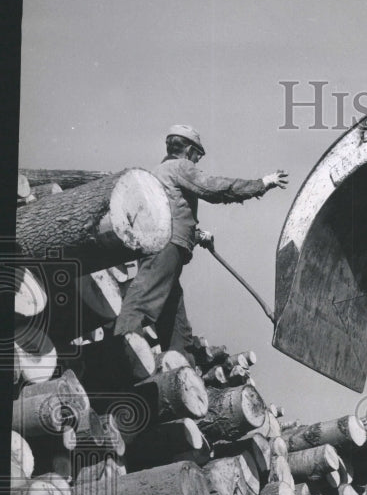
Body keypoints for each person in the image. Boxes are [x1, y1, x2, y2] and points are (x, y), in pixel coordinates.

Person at [114, 124, 287, 355]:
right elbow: (214, 189)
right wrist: (261, 183)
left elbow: (171, 213)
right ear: (188, 150)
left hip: (164, 245)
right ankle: (121, 348)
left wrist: (196, 235)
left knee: (175, 322)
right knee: (143, 298)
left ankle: (180, 365)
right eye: (198, 155)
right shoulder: (181, 167)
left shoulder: (158, 173)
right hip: (167, 247)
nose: (197, 161)